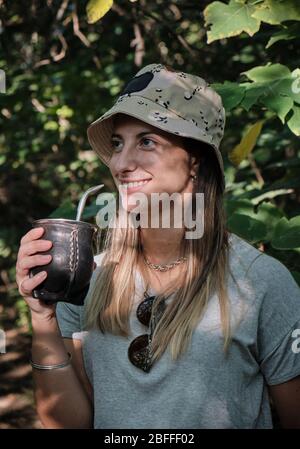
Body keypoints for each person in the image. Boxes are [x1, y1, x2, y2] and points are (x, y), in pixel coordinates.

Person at [16, 63, 300, 429]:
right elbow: (69, 424)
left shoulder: (260, 283)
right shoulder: (86, 278)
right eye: (118, 144)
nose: (121, 162)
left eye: (147, 141)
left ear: (194, 160)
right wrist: (42, 319)